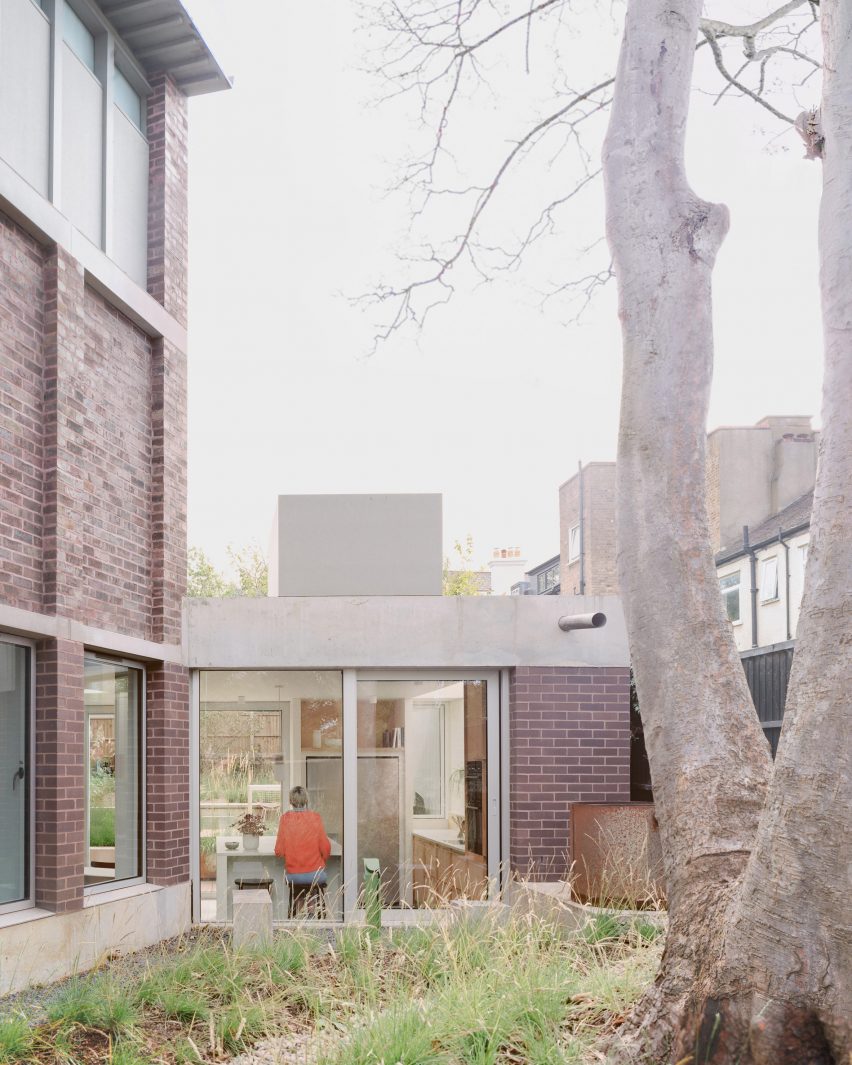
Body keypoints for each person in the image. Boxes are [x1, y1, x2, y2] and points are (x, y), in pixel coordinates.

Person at [274, 786, 331, 916]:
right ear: (306, 800)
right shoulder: (315, 818)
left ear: (291, 801)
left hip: (294, 876)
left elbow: (279, 851)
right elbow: (326, 848)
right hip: (315, 875)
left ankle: (299, 920)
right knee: (312, 889)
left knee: (299, 890)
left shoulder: (285, 819)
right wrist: (321, 860)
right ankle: (311, 918)